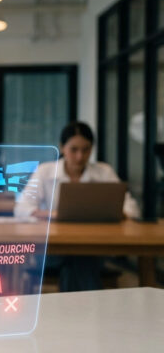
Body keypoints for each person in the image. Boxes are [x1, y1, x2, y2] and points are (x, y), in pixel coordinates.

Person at [14, 121, 140, 291]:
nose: (80, 156)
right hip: (53, 248)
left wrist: (114, 212)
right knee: (81, 259)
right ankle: (87, 312)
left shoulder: (104, 172)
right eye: (74, 149)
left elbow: (132, 209)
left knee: (78, 260)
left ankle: (71, 313)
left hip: (95, 246)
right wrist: (53, 214)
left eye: (86, 149)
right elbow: (21, 208)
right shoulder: (45, 171)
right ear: (62, 147)